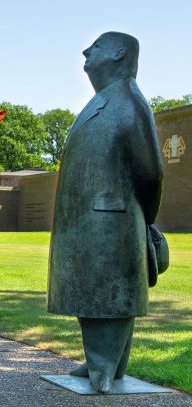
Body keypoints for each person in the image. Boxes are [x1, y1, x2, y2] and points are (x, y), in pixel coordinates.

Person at [47, 32, 164, 393]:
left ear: (118, 54)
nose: (86, 50)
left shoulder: (129, 101)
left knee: (105, 292)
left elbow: (151, 171)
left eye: (96, 46)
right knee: (92, 291)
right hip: (90, 221)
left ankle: (104, 365)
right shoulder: (104, 100)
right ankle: (104, 360)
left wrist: (144, 218)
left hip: (111, 220)